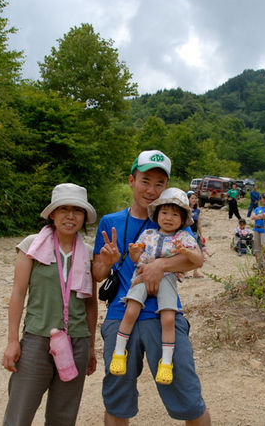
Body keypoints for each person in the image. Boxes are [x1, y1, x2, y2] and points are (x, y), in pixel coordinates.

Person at [92, 150, 211, 425]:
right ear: (132, 180)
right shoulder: (110, 222)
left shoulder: (174, 219)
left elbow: (195, 260)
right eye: (146, 181)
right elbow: (98, 274)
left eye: (159, 183)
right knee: (117, 401)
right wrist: (107, 262)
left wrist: (159, 265)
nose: (151, 189)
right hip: (120, 314)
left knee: (190, 400)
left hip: (164, 314)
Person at [2, 183, 98, 426]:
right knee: (19, 413)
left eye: (77, 210)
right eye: (63, 209)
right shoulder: (31, 246)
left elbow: (90, 304)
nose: (70, 216)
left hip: (76, 342)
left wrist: (90, 347)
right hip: (36, 340)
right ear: (52, 213)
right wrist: (13, 341)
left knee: (63, 417)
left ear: (84, 216)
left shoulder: (88, 253)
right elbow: (18, 293)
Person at [109, 188, 202, 386]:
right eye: (165, 213)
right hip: (142, 273)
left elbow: (197, 258)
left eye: (175, 214)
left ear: (183, 218)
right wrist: (134, 252)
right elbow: (136, 258)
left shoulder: (183, 237)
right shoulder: (148, 233)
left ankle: (166, 362)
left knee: (168, 318)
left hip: (167, 278)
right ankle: (119, 351)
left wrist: (186, 251)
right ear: (157, 214)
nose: (169, 218)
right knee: (131, 309)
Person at [187, 191, 206, 277]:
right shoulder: (185, 209)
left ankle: (195, 272)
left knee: (198, 252)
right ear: (188, 199)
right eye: (192, 198)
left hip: (195, 233)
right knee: (188, 252)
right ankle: (185, 272)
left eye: (195, 198)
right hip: (187, 234)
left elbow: (198, 223)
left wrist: (201, 234)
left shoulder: (197, 211)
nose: (194, 200)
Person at [249, 193, 265, 261]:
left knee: (264, 247)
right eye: (263, 198)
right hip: (256, 229)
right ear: (260, 200)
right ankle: (259, 263)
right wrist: (261, 216)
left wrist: (258, 216)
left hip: (264, 229)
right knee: (257, 248)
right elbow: (252, 217)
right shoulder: (257, 208)